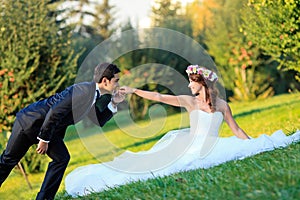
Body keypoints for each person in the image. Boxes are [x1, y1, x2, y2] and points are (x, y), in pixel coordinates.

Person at [65, 65, 300, 197]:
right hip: (190, 146)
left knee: (241, 147)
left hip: (213, 145)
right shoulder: (190, 102)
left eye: (192, 82)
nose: (189, 85)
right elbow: (159, 96)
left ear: (203, 84)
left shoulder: (222, 105)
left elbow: (236, 129)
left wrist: (249, 143)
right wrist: (135, 91)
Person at [0, 62, 126, 200]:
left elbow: (98, 120)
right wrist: (44, 139)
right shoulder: (83, 90)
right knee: (8, 161)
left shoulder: (92, 95)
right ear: (105, 81)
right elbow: (55, 111)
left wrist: (114, 103)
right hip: (29, 122)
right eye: (116, 81)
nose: (118, 85)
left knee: (62, 158)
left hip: (48, 128)